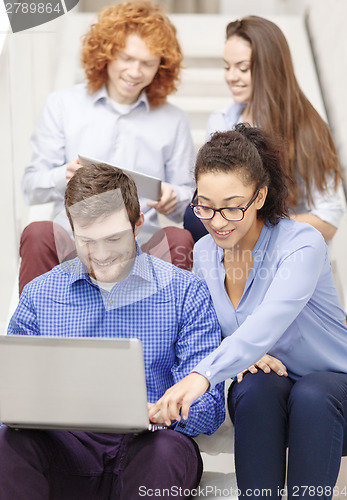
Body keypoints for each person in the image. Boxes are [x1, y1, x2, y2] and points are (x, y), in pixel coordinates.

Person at [0, 163, 225, 500]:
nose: (101, 256)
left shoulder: (184, 292)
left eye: (113, 239)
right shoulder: (40, 295)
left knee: (165, 453)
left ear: (137, 225)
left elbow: (210, 405)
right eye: (86, 241)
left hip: (149, 444)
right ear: (72, 229)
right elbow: (12, 389)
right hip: (67, 447)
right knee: (7, 443)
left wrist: (170, 409)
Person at [150, 124, 347, 500]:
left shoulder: (302, 244)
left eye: (232, 207)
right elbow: (218, 329)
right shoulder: (206, 253)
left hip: (337, 395)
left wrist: (204, 374)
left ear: (259, 196)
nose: (218, 220)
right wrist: (242, 355)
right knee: (253, 386)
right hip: (274, 397)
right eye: (205, 206)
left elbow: (269, 319)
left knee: (312, 392)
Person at [19, 0, 196, 294]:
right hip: (74, 239)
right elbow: (30, 186)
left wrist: (173, 197)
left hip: (139, 246)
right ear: (107, 53)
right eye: (127, 58)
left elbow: (191, 203)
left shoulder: (173, 120)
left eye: (148, 63)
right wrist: (63, 174)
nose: (135, 71)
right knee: (37, 233)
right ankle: (29, 337)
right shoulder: (63, 104)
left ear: (161, 67)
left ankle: (165, 334)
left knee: (178, 238)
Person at [184, 15, 344, 243]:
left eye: (242, 68)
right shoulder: (221, 121)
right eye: (227, 67)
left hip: (282, 248)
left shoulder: (308, 129)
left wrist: (262, 225)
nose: (231, 77)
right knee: (192, 218)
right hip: (232, 249)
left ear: (270, 69)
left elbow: (327, 220)